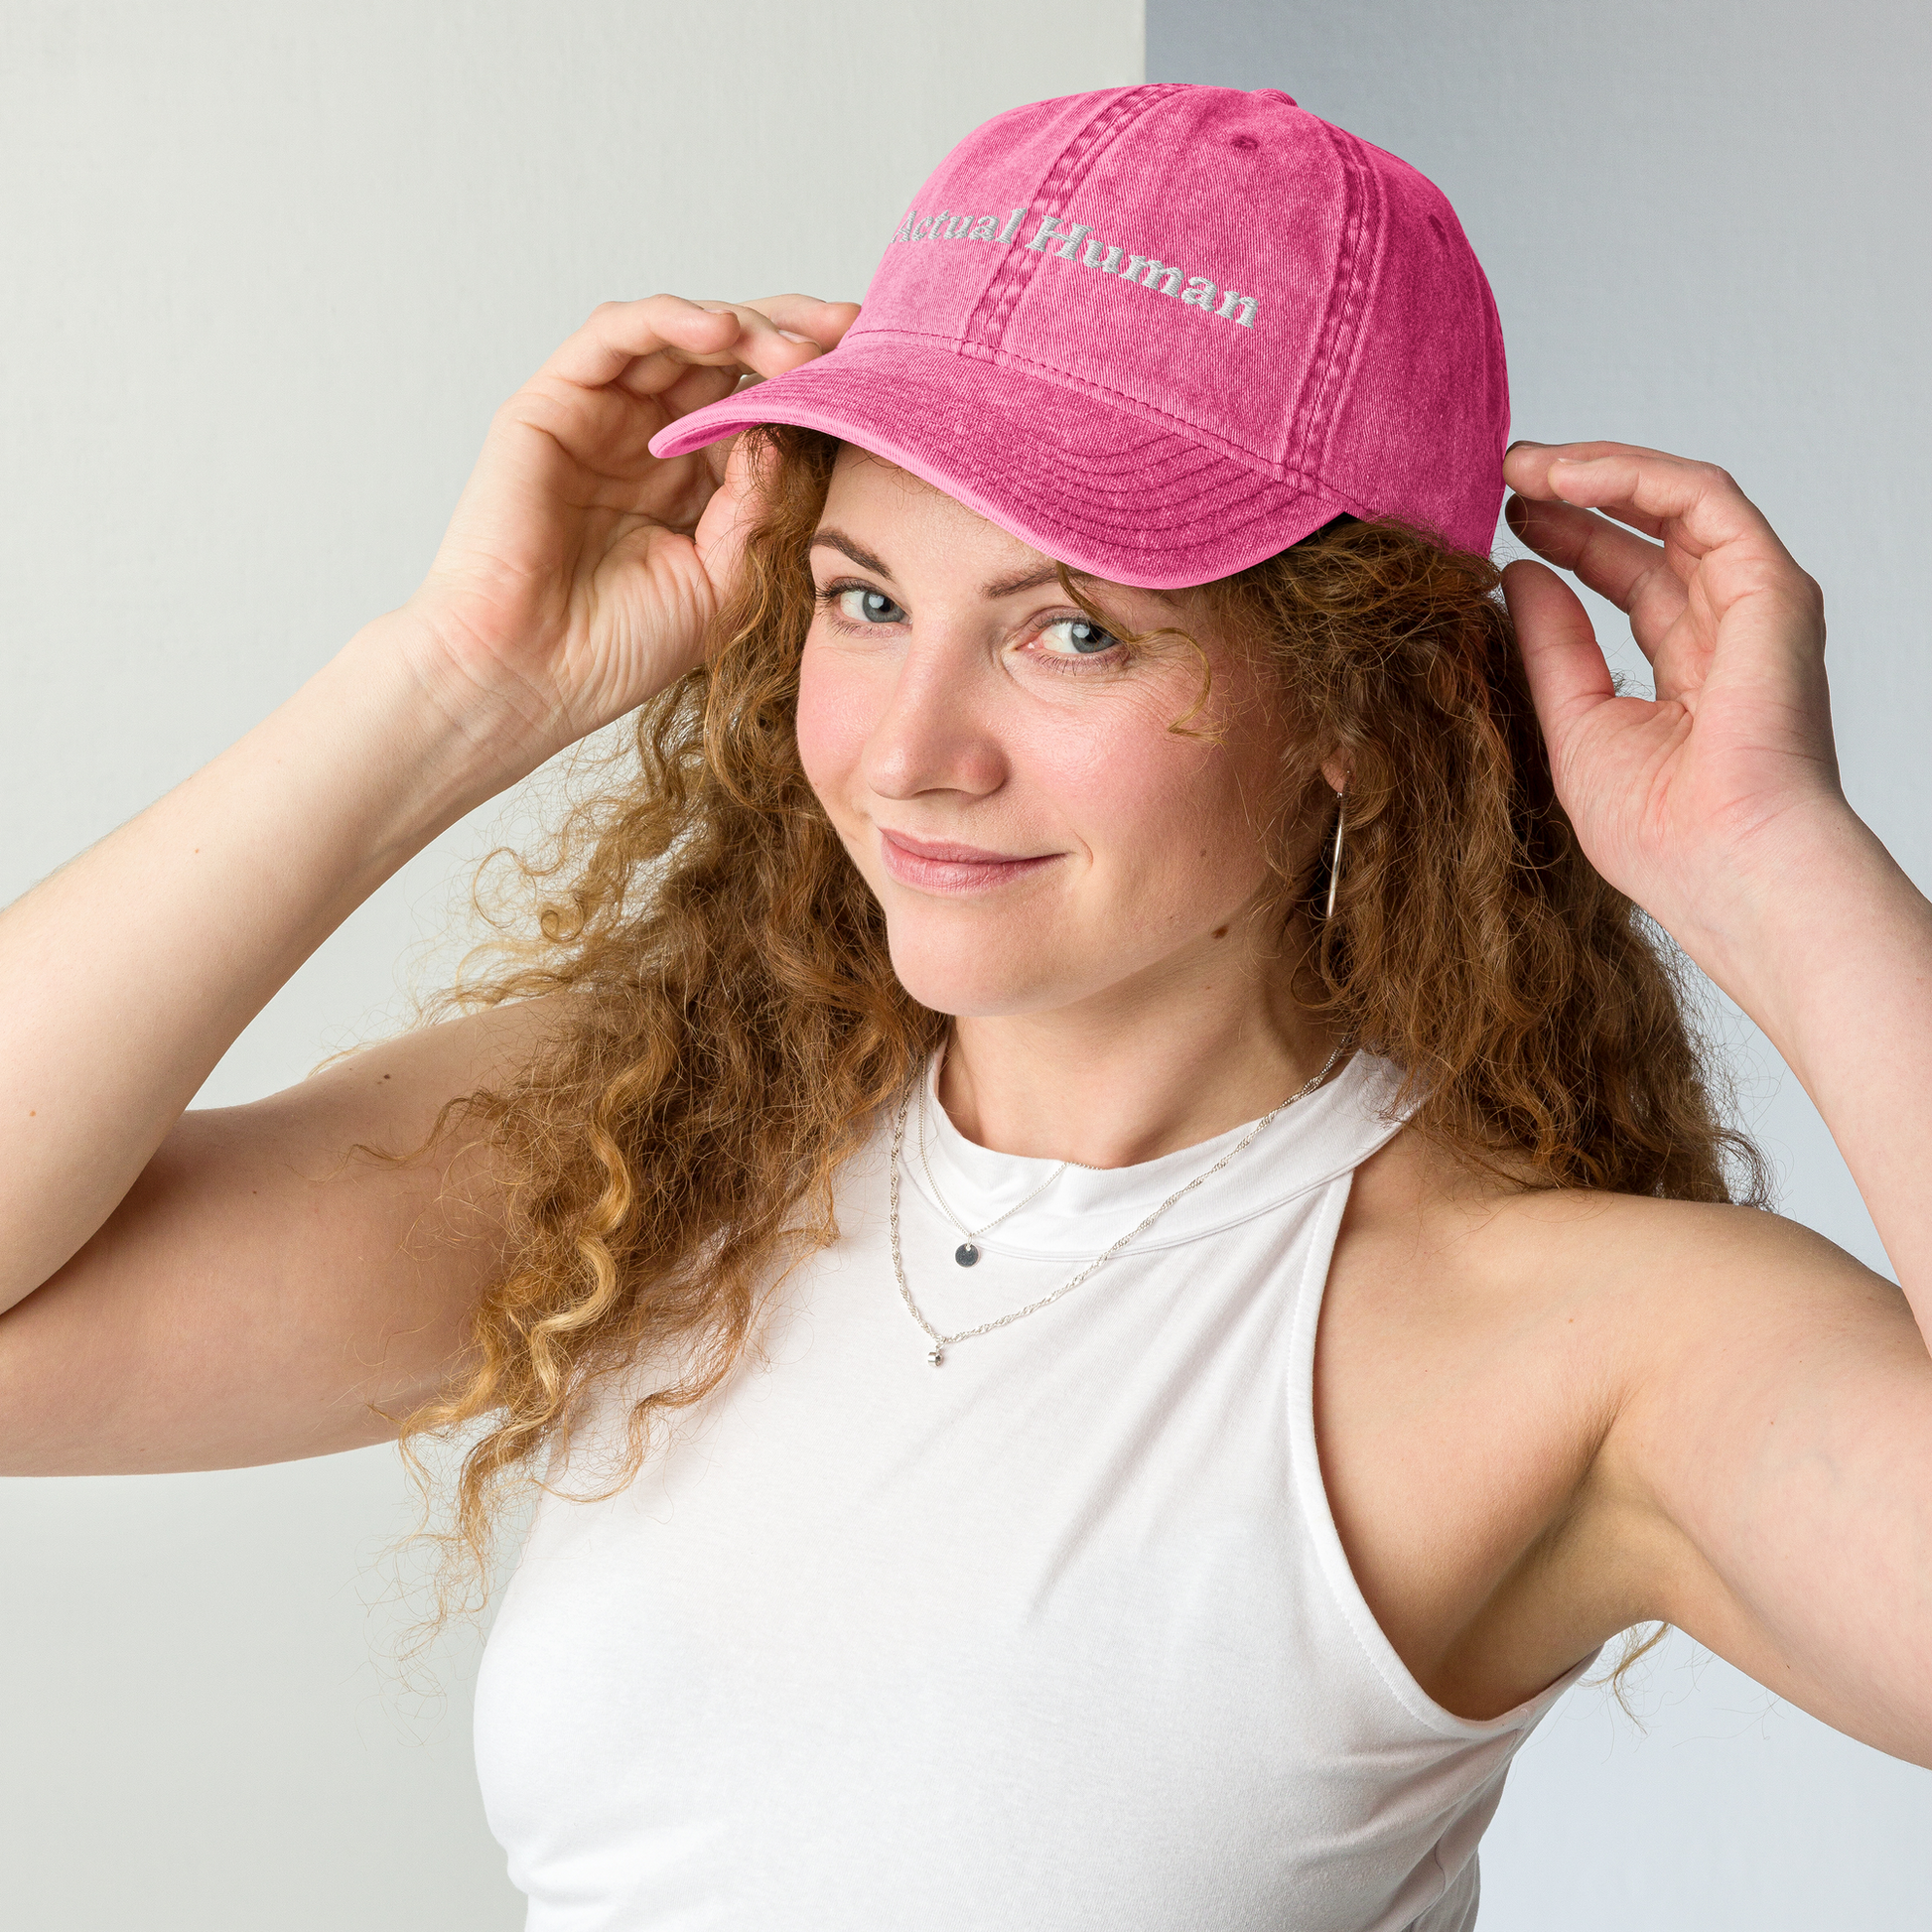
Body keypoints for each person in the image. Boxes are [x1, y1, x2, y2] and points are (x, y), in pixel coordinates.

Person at [1, 79, 1926, 1931]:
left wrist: (1773, 865)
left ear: (1353, 704)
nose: (912, 753)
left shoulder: (1565, 1343)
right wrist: (446, 683)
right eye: (861, 600)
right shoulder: (657, 1148)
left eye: (1068, 628)